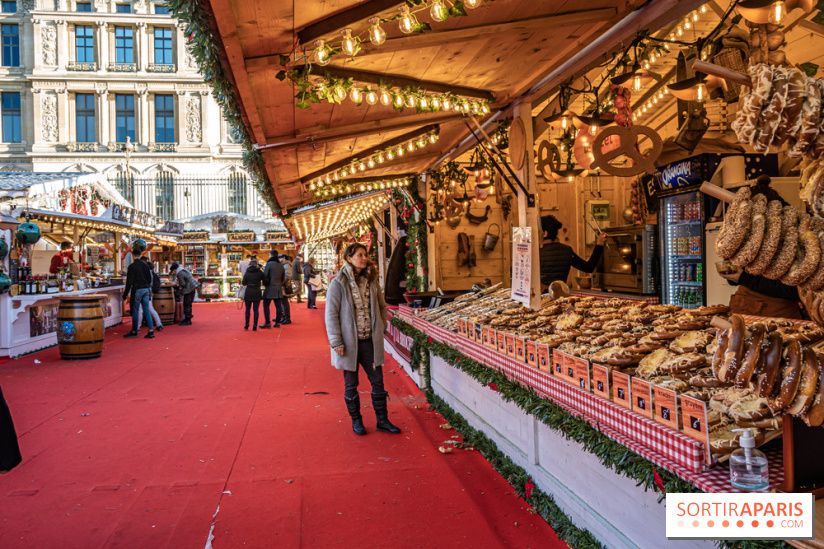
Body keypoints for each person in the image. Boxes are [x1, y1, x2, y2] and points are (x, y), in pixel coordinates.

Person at [325, 242, 400, 436]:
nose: (364, 258)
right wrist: (336, 342)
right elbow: (331, 314)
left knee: (378, 382)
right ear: (349, 258)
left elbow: (382, 306)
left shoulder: (372, 280)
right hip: (349, 344)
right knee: (351, 384)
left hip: (369, 341)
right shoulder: (338, 283)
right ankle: (356, 421)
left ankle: (382, 420)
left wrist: (381, 326)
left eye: (365, 254)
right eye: (359, 255)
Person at [719, 176, 801, 318]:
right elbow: (735, 277)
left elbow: (793, 290)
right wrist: (730, 270)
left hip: (777, 313)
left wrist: (744, 278)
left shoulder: (791, 236)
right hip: (743, 307)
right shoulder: (746, 232)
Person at [539, 214, 606, 291]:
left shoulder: (538, 252)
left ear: (545, 233)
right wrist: (599, 245)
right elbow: (589, 267)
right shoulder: (567, 250)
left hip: (540, 297)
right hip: (560, 295)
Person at [123, 250, 155, 339]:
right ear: (141, 255)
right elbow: (149, 279)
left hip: (137, 289)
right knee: (146, 310)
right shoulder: (145, 266)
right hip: (146, 289)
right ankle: (151, 331)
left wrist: (125, 294)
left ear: (133, 255)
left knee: (135, 310)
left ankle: (134, 330)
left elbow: (129, 282)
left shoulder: (132, 267)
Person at [134, 256, 163, 332]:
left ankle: (137, 327)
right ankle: (158, 324)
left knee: (141, 309)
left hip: (145, 291)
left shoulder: (146, 273)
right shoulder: (152, 273)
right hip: (150, 292)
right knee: (150, 309)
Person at [260, 250, 285, 329]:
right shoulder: (281, 265)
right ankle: (277, 322)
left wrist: (264, 283)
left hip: (270, 287)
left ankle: (267, 322)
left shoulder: (269, 264)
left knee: (266, 305)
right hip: (278, 287)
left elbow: (265, 275)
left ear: (271, 255)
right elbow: (283, 277)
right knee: (278, 306)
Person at [241, 258, 264, 330]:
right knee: (256, 309)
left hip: (249, 291)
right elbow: (265, 280)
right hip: (257, 290)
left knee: (247, 308)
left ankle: (247, 324)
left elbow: (244, 283)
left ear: (250, 265)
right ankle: (255, 325)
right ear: (257, 265)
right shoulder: (260, 272)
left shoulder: (247, 273)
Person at [278, 254, 292, 324]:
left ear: (283, 258)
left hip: (284, 286)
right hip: (283, 285)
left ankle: (287, 318)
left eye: (280, 258)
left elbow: (287, 276)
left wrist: (281, 283)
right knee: (282, 302)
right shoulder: (284, 265)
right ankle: (284, 317)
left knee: (284, 302)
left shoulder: (286, 265)